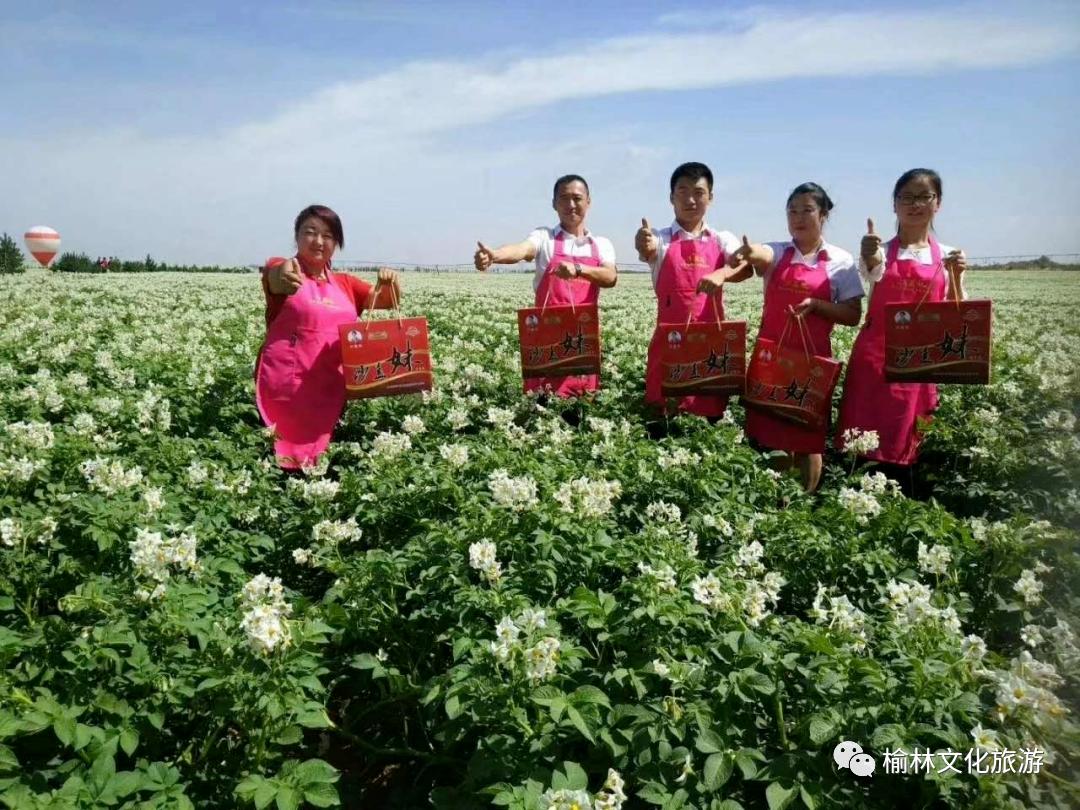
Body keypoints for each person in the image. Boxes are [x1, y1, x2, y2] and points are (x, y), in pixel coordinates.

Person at [733, 183, 863, 492]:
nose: (798, 217)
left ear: (824, 214)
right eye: (792, 211)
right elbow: (762, 253)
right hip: (774, 359)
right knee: (775, 436)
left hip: (812, 360)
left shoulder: (840, 261)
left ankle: (804, 503)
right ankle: (780, 501)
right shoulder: (778, 252)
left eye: (807, 210)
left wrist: (818, 306)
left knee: (808, 438)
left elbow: (853, 314)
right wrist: (751, 252)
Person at [836, 168, 967, 472]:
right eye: (906, 197)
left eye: (924, 196)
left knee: (906, 438)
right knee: (862, 437)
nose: (915, 204)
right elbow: (873, 268)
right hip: (875, 357)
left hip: (921, 363)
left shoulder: (948, 255)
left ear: (938, 203)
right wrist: (868, 254)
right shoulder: (881, 251)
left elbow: (956, 313)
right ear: (894, 204)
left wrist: (956, 276)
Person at [256, 204, 401, 470]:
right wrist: (283, 272)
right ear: (297, 236)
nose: (319, 241)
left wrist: (390, 282)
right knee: (279, 461)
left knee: (323, 463)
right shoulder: (284, 269)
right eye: (310, 232)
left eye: (328, 236)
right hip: (286, 389)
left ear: (336, 243)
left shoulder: (345, 283)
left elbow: (387, 301)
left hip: (331, 390)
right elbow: (276, 275)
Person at [474, 174, 617, 397]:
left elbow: (610, 277)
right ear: (554, 203)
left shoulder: (601, 244)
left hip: (582, 343)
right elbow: (522, 250)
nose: (571, 205)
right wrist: (496, 256)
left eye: (577, 198)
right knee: (543, 404)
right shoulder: (545, 237)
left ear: (588, 202)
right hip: (546, 340)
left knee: (582, 408)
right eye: (564, 198)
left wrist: (579, 269)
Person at [635, 161, 752, 422]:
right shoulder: (661, 237)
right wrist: (644, 244)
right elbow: (648, 248)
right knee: (662, 417)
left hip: (710, 345)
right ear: (671, 198)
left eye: (698, 192)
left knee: (708, 419)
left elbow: (745, 268)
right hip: (669, 342)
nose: (690, 199)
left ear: (710, 197)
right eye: (682, 191)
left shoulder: (722, 239)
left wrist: (722, 273)